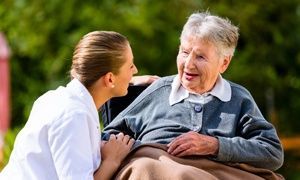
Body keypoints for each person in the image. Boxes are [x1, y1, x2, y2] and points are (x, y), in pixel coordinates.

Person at [103, 12, 284, 179]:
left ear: (224, 63)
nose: (188, 65)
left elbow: (272, 153)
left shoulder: (238, 98)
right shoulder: (159, 90)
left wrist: (215, 145)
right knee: (144, 167)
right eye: (185, 52)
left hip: (218, 173)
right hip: (157, 169)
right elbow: (108, 137)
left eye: (200, 57)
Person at [0, 31, 158, 179]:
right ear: (110, 79)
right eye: (130, 66)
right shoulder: (73, 116)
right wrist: (112, 160)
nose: (135, 70)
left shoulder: (55, 98)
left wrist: (135, 81)